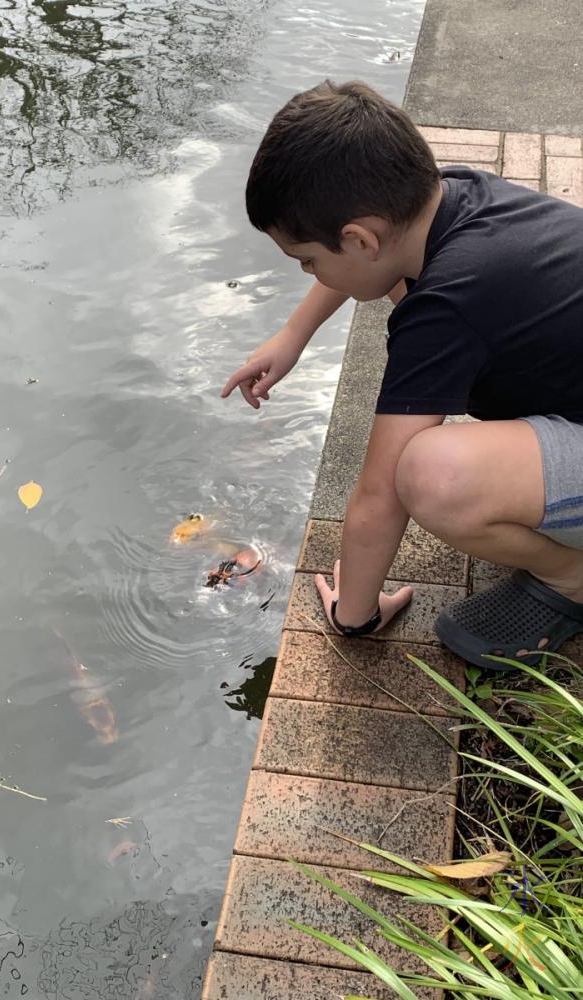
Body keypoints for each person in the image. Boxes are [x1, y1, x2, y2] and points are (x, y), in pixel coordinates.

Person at [220, 79, 583, 669]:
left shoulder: (446, 305)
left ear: (358, 237)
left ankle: (573, 578)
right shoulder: (454, 195)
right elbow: (376, 265)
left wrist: (354, 615)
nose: (311, 271)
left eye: (309, 260)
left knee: (430, 473)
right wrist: (293, 336)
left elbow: (379, 493)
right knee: (399, 283)